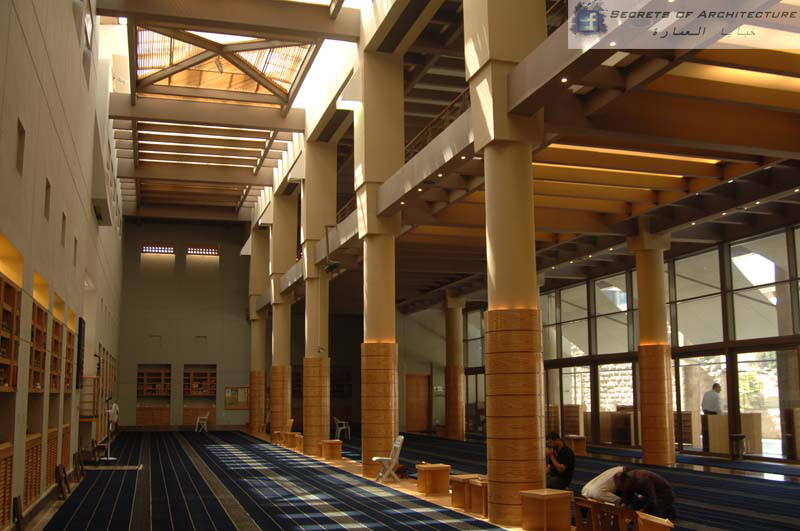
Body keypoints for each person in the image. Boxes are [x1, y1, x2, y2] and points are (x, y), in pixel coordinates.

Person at [701, 383, 723, 451]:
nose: (720, 389)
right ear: (716, 387)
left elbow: (702, 404)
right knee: (714, 432)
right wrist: (721, 416)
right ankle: (714, 447)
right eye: (719, 387)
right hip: (713, 415)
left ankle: (706, 448)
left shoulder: (706, 394)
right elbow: (718, 407)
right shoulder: (716, 395)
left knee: (706, 431)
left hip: (705, 414)